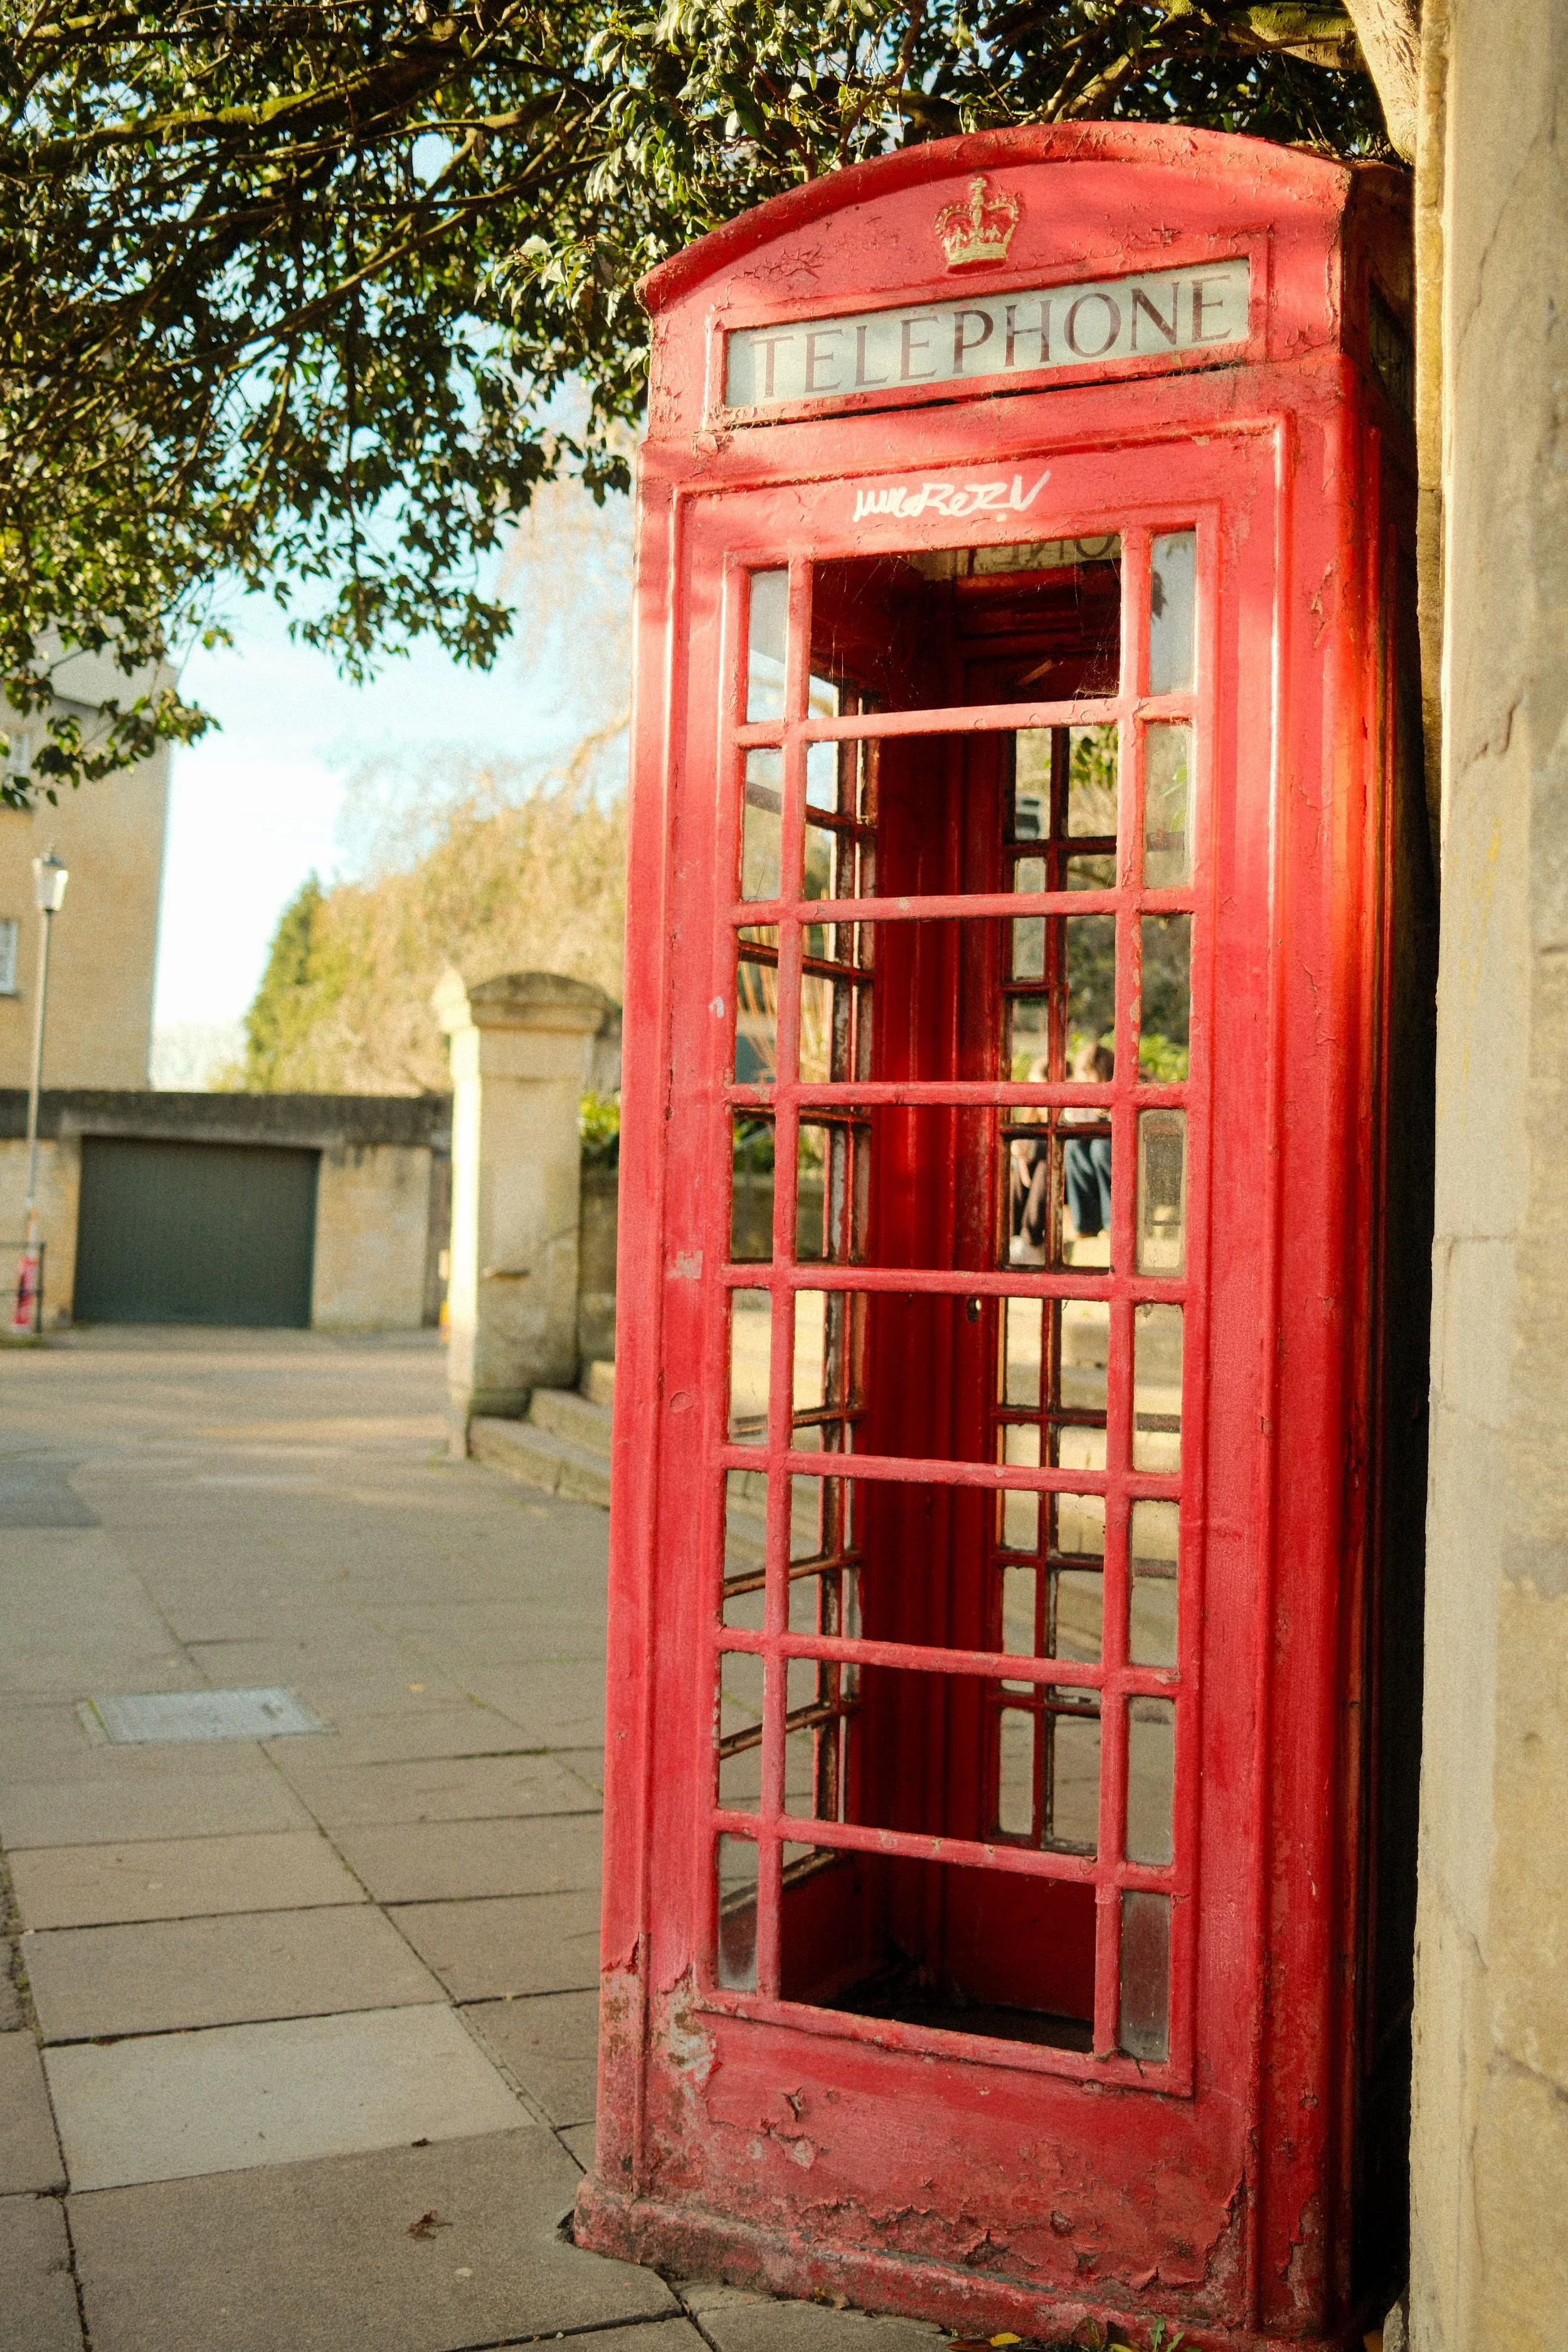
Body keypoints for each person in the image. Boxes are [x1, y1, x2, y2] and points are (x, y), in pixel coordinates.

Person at [1061, 1039, 1113, 1241]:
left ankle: (1112, 1224)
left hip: (1120, 1155)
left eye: (1091, 1077)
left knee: (1100, 1149)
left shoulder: (1135, 1081)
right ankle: (1086, 1223)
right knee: (1073, 1146)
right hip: (1092, 1155)